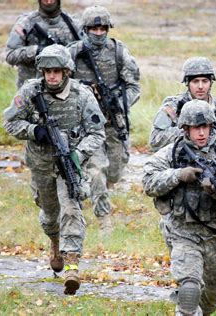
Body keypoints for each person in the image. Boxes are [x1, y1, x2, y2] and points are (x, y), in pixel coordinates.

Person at [3, 44, 106, 295]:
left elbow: (97, 133)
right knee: (50, 216)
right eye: (47, 71)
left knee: (71, 209)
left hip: (69, 164)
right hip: (40, 164)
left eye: (57, 71)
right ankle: (55, 244)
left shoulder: (82, 96)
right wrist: (34, 131)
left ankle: (72, 266)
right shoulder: (30, 92)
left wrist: (77, 155)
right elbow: (10, 122)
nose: (52, 76)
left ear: (66, 71)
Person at [142, 100, 216, 315]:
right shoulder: (172, 153)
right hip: (183, 232)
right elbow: (148, 182)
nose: (201, 133)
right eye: (195, 128)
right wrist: (178, 175)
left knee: (209, 298)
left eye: (205, 127)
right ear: (185, 129)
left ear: (211, 127)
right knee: (190, 290)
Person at [68, 5, 140, 234]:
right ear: (85, 29)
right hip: (86, 126)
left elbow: (134, 86)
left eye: (102, 28)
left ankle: (98, 189)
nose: (98, 33)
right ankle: (104, 220)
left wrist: (120, 103)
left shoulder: (119, 52)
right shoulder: (73, 53)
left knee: (115, 171)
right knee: (97, 170)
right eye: (93, 28)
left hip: (113, 121)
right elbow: (59, 84)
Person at [149, 57, 216, 156]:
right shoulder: (173, 108)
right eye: (195, 81)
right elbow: (155, 141)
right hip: (181, 163)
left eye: (205, 81)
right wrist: (188, 132)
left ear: (211, 83)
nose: (200, 86)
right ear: (187, 83)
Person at [5, 0, 80, 89]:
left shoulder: (72, 23)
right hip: (31, 90)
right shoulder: (26, 23)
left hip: (65, 90)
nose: (48, 2)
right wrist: (36, 51)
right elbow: (10, 55)